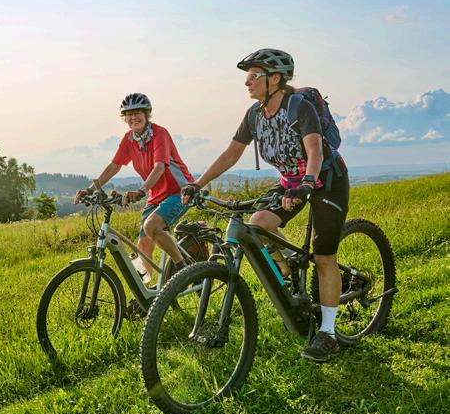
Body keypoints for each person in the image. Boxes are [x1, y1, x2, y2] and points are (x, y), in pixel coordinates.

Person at [181, 49, 349, 363]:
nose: (247, 82)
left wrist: (307, 184)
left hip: (325, 179)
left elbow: (314, 151)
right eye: (247, 77)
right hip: (290, 181)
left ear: (274, 79)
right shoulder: (254, 115)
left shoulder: (299, 107)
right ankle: (290, 267)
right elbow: (231, 154)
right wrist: (197, 183)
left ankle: (327, 334)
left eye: (253, 76)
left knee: (324, 255)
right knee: (257, 223)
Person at [75, 93, 194, 278]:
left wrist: (141, 191)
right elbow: (114, 166)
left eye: (137, 112)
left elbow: (159, 167)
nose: (133, 117)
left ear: (146, 114)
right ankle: (147, 292)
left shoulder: (159, 134)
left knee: (151, 226)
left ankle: (184, 271)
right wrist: (90, 189)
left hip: (180, 191)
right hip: (156, 195)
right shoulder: (129, 139)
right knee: (143, 246)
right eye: (129, 114)